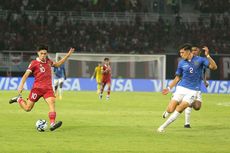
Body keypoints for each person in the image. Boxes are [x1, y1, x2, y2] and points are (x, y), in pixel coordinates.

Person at [9, 45, 75, 131]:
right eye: (42, 53)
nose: (43, 55)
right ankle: (19, 99)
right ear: (38, 53)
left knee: (52, 102)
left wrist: (68, 55)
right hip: (37, 89)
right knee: (28, 108)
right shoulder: (34, 63)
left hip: (48, 88)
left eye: (45, 53)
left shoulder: (48, 61)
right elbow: (26, 75)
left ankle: (52, 124)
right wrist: (21, 85)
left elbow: (58, 64)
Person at [157, 43, 217, 132]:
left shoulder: (200, 60)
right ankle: (168, 110)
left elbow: (214, 67)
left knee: (180, 108)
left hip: (193, 90)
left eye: (182, 52)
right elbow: (177, 78)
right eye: (180, 53)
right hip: (181, 88)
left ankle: (162, 127)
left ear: (188, 52)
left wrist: (207, 55)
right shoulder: (181, 63)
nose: (181, 55)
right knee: (170, 109)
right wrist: (169, 88)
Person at [184, 46, 209, 128]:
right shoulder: (187, 60)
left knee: (197, 107)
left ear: (199, 51)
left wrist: (205, 81)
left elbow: (204, 71)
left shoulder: (201, 60)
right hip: (187, 86)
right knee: (189, 102)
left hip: (197, 86)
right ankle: (186, 123)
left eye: (196, 50)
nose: (194, 51)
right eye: (193, 50)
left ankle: (185, 101)